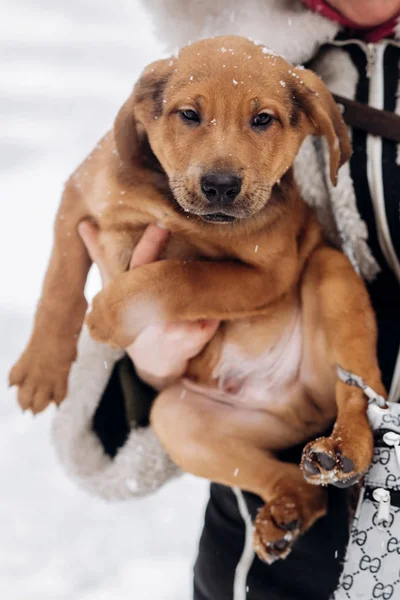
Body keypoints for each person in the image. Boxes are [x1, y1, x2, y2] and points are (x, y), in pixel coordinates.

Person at [53, 1, 400, 598]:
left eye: (263, 122)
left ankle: (354, 423)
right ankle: (288, 490)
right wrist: (147, 362)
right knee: (175, 416)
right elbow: (120, 261)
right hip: (257, 566)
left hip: (336, 385)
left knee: (327, 271)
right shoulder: (212, 56)